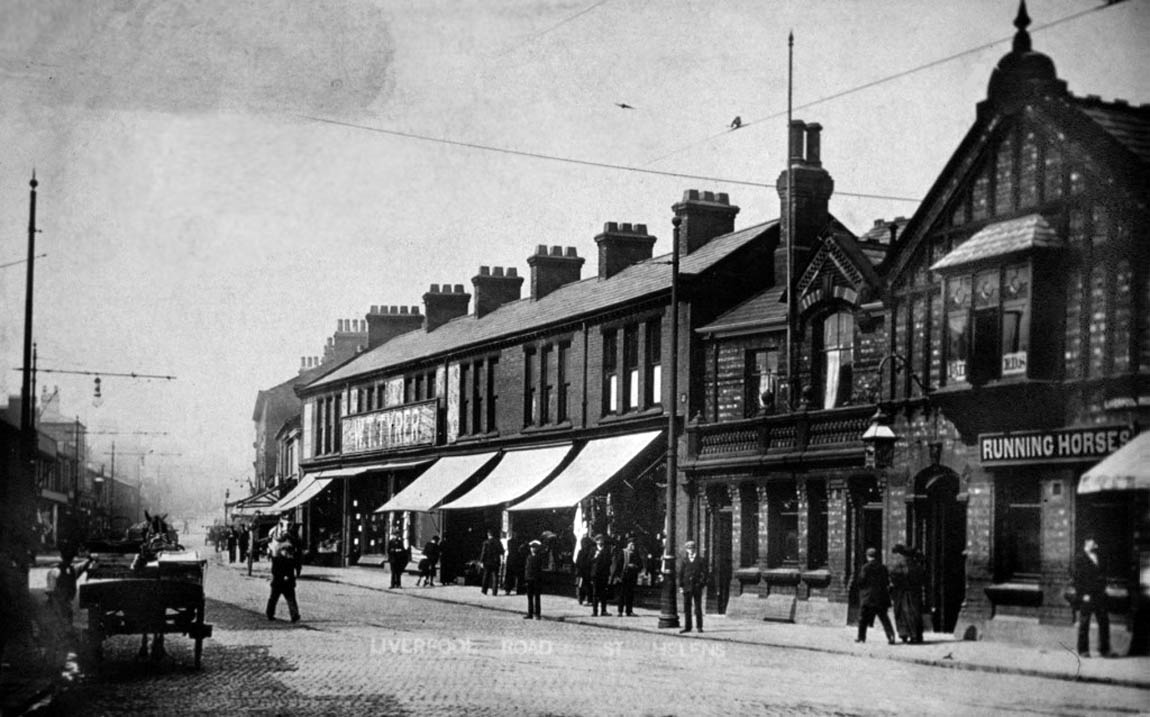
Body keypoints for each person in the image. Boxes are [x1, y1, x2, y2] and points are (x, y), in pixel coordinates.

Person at [1072, 536, 1112, 658]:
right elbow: (1077, 579)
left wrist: (1104, 588)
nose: (1096, 545)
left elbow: (1103, 574)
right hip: (1087, 596)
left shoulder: (1097, 556)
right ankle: (1083, 650)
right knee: (1084, 623)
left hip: (1099, 595)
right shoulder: (1079, 558)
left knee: (1104, 622)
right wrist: (1083, 594)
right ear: (1087, 542)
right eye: (1093, 542)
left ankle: (1104, 649)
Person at [852, 547, 895, 644]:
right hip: (881, 597)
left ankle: (861, 637)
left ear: (868, 556)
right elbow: (887, 582)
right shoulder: (883, 567)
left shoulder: (865, 567)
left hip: (868, 597)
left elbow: (861, 581)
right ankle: (891, 637)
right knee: (884, 618)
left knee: (863, 618)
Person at [266, 514, 302, 623]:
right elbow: (276, 569)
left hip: (282, 579)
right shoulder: (280, 559)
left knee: (286, 598)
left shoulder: (281, 559)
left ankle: (293, 615)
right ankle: (271, 613)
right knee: (280, 597)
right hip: (281, 579)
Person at [46, 546, 91, 627]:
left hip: (62, 603)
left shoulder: (57, 571)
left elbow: (50, 590)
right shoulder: (71, 570)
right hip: (60, 603)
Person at [889, 544, 925, 644]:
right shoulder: (917, 566)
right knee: (915, 613)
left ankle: (906, 635)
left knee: (903, 613)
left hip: (903, 593)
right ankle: (917, 635)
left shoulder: (901, 565)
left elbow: (894, 576)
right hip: (915, 593)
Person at [678, 540, 708, 633]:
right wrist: (681, 586)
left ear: (695, 549)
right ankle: (688, 627)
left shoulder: (700, 560)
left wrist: (701, 584)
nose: (690, 550)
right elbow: (681, 574)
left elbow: (705, 573)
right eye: (689, 549)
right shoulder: (684, 560)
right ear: (686, 550)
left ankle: (699, 626)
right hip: (686, 586)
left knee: (698, 607)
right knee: (687, 607)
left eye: (692, 548)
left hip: (696, 587)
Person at [611, 535, 643, 616]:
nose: (633, 546)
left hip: (632, 576)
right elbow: (618, 564)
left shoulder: (636, 554)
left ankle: (629, 611)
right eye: (631, 544)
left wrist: (635, 566)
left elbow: (640, 565)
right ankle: (620, 611)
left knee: (630, 594)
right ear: (628, 544)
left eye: (634, 545)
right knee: (621, 594)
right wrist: (617, 575)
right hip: (623, 576)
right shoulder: (623, 552)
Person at [589, 534, 613, 617]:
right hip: (595, 574)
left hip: (604, 574)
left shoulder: (606, 550)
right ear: (596, 541)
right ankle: (595, 611)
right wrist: (595, 556)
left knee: (603, 593)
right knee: (595, 593)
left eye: (602, 540)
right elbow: (589, 561)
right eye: (599, 540)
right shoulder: (593, 550)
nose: (600, 541)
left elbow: (609, 562)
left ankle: (603, 610)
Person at [523, 539, 545, 620]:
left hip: (536, 579)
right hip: (529, 579)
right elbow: (527, 569)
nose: (533, 549)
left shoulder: (539, 558)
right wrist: (526, 578)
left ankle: (537, 614)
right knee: (529, 597)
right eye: (532, 547)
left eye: (534, 547)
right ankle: (530, 613)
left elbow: (539, 570)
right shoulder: (529, 557)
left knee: (537, 597)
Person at [479, 529, 504, 595]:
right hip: (496, 561)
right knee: (495, 577)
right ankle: (494, 592)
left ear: (488, 535)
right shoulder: (498, 542)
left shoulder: (486, 542)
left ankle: (484, 591)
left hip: (487, 562)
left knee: (486, 576)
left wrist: (481, 561)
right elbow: (502, 551)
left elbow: (483, 552)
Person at [575, 534, 595, 605]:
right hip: (585, 572)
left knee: (582, 586)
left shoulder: (581, 552)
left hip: (583, 572)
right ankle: (586, 599)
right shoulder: (590, 551)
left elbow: (577, 562)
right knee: (586, 586)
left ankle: (582, 598)